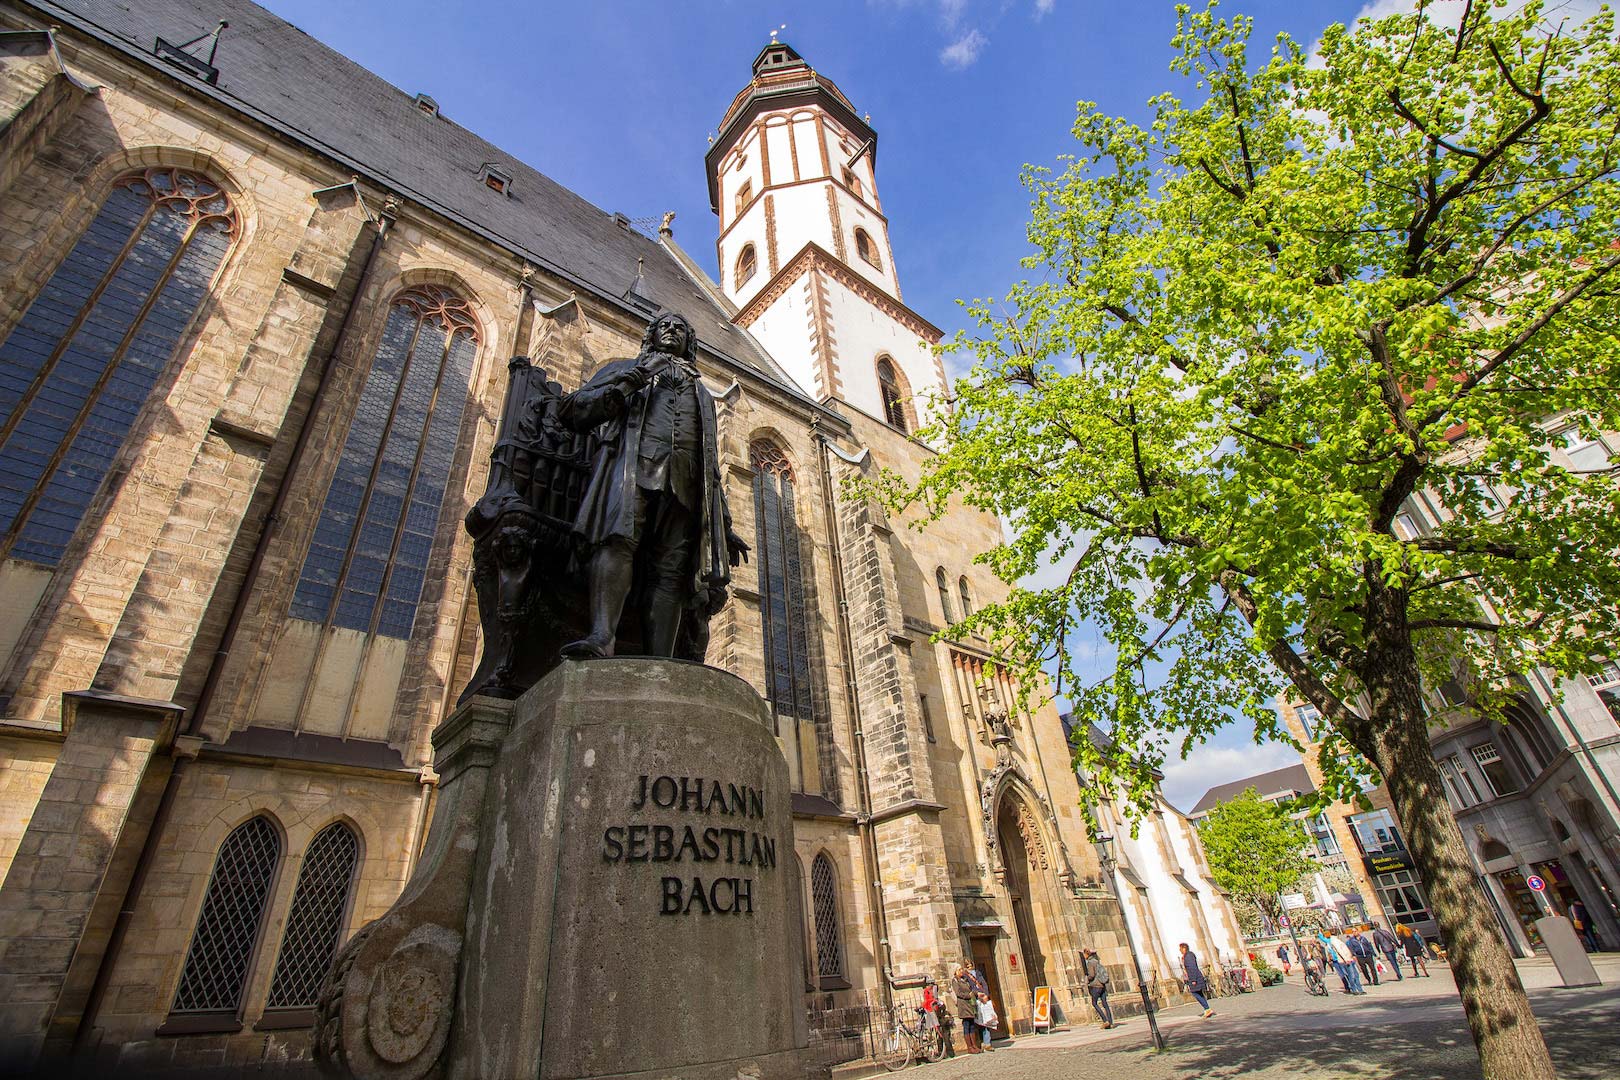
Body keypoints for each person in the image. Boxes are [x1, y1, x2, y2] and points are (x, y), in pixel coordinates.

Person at [557, 312, 749, 660]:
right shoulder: (630, 370)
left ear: (691, 343)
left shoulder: (702, 394)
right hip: (633, 469)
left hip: (687, 486)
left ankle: (661, 658)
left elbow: (713, 468)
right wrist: (626, 385)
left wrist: (725, 525)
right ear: (652, 336)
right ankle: (602, 636)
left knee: (673, 570)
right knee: (617, 540)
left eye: (680, 327)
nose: (673, 330)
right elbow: (571, 410)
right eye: (665, 326)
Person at [1319, 930, 1364, 995]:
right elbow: (1340, 951)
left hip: (1346, 959)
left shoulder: (1335, 940)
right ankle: (1353, 989)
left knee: (1353, 974)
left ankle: (1358, 989)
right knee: (1350, 975)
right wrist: (1346, 959)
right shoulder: (1334, 941)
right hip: (1343, 960)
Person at [967, 961, 998, 1049]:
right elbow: (969, 988)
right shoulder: (966, 976)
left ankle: (987, 1043)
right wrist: (977, 994)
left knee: (986, 1021)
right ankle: (980, 1042)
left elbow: (984, 984)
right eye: (968, 967)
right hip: (975, 1001)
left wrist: (986, 995)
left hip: (983, 1000)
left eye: (971, 966)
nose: (970, 968)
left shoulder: (978, 973)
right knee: (977, 1022)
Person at [951, 964, 981, 1053]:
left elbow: (971, 988)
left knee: (972, 1025)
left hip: (969, 1005)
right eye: (959, 970)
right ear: (955, 971)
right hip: (963, 1005)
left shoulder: (965, 979)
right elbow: (958, 993)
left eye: (961, 969)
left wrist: (974, 993)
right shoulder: (955, 980)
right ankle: (969, 1047)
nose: (961, 971)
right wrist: (968, 995)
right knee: (966, 1025)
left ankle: (974, 1046)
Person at [1179, 942, 1214, 1018]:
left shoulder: (1188, 956)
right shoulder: (1187, 955)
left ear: (1184, 948)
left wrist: (1193, 980)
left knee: (1195, 993)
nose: (1180, 950)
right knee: (1199, 993)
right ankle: (1207, 1009)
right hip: (1194, 977)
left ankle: (1207, 1008)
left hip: (1195, 978)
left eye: (1180, 949)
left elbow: (1192, 967)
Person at [1083, 946, 1115, 1029]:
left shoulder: (1090, 963)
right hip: (1102, 985)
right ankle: (1110, 1022)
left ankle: (1105, 1020)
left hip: (1096, 985)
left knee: (1094, 1003)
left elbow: (1091, 975)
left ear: (1086, 954)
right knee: (1105, 1003)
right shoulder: (1097, 961)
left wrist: (1086, 978)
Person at [922, 978, 954, 1058]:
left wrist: (938, 1005)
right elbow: (927, 1002)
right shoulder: (927, 991)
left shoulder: (932, 992)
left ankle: (948, 1052)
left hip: (938, 1015)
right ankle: (941, 1052)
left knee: (942, 1034)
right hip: (932, 1014)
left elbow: (940, 1005)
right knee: (937, 1035)